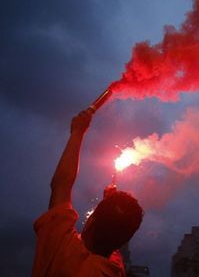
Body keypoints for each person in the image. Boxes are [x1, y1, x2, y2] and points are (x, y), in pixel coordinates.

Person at [32, 110, 143, 276]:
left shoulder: (63, 251)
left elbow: (61, 185)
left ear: (90, 222)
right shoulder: (114, 270)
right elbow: (113, 236)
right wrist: (110, 205)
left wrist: (78, 131)